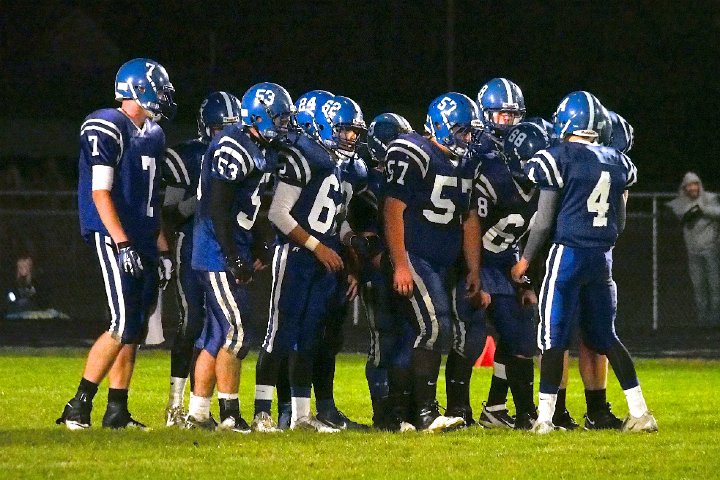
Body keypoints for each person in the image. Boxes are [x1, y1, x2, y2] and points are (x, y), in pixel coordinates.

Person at [511, 90, 657, 434]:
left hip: (568, 255)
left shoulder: (557, 157)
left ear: (566, 122)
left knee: (552, 337)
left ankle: (546, 418)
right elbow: (620, 222)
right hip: (602, 258)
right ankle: (640, 412)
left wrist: (525, 260)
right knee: (606, 336)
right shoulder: (618, 161)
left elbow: (543, 222)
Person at [57, 58, 176, 430]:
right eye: (160, 89)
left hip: (142, 234)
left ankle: (117, 410)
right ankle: (78, 405)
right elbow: (100, 192)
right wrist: (122, 242)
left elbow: (151, 199)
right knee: (122, 321)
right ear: (138, 89)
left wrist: (162, 247)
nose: (164, 97)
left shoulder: (154, 134)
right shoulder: (106, 124)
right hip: (114, 233)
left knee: (135, 328)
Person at [184, 82, 293, 432]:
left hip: (230, 247)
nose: (285, 125)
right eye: (280, 118)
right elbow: (217, 207)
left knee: (217, 335)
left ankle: (198, 414)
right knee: (238, 331)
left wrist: (259, 245)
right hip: (217, 250)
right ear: (259, 117)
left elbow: (252, 206)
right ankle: (230, 413)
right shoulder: (233, 145)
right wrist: (232, 256)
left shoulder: (261, 147)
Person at [252, 94, 363, 433]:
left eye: (354, 132)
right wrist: (317, 247)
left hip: (322, 260)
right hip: (297, 256)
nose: (351, 138)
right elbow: (278, 214)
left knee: (308, 338)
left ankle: (302, 416)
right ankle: (261, 413)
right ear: (324, 127)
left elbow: (331, 218)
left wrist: (347, 242)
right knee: (278, 334)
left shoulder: (336, 164)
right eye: (344, 130)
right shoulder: (303, 156)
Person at [384, 92, 488, 432]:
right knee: (432, 327)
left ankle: (416, 412)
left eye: (470, 132)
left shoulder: (467, 164)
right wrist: (400, 262)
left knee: (449, 330)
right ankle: (426, 413)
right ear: (442, 126)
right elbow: (393, 209)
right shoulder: (415, 152)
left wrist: (474, 268)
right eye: (462, 131)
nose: (468, 138)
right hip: (416, 256)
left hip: (446, 263)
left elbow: (469, 219)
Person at [162, 91, 243, 426]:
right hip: (191, 244)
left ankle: (202, 408)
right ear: (206, 127)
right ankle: (175, 404)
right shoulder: (188, 155)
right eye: (220, 127)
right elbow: (168, 211)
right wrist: (202, 201)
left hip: (222, 249)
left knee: (220, 328)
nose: (226, 134)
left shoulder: (244, 153)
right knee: (192, 322)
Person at [348, 112, 416, 430]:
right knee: (383, 342)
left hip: (403, 269)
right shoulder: (366, 184)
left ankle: (404, 408)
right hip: (378, 274)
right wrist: (386, 266)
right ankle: (383, 411)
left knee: (409, 339)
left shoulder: (406, 180)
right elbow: (363, 239)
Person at [667, 172, 720, 326]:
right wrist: (691, 211)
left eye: (695, 185)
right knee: (698, 286)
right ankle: (702, 319)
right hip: (693, 251)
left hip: (710, 249)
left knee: (714, 284)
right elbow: (678, 213)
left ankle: (716, 318)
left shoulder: (709, 199)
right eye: (689, 186)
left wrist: (702, 209)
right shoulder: (682, 202)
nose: (692, 188)